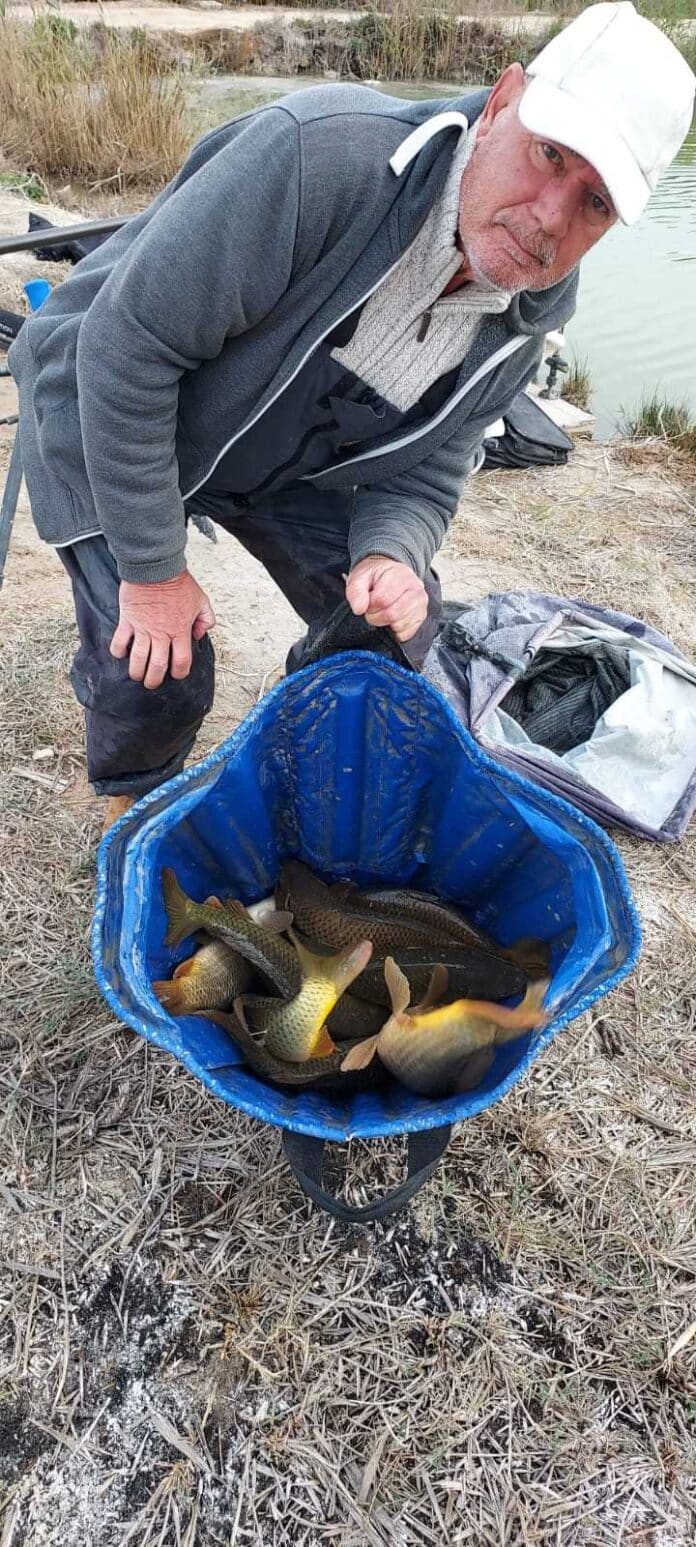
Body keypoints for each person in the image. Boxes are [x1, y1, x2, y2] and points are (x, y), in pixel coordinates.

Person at [9, 2, 694, 830]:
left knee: (396, 633)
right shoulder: (318, 158)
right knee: (158, 666)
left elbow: (431, 466)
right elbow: (126, 349)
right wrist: (155, 573)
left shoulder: (534, 307)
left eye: (594, 204)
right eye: (548, 155)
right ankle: (132, 801)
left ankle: (294, 740)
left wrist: (393, 552)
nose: (551, 215)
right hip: (108, 398)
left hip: (280, 453)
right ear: (503, 102)